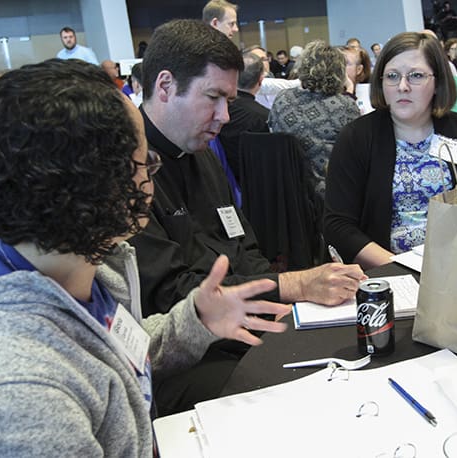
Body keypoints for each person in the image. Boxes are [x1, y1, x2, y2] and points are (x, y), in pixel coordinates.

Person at [0, 58, 288, 454]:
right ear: (97, 186)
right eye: (146, 164)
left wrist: (195, 319)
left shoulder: (74, 267)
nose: (150, 179)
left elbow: (114, 347)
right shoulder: (23, 395)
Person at [129, 20, 365, 412]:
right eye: (213, 98)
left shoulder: (203, 153)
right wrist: (290, 285)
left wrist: (282, 304)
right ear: (166, 86)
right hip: (185, 354)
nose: (223, 116)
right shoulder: (129, 174)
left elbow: (243, 244)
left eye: (229, 101)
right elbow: (170, 293)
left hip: (242, 325)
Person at [324, 32, 457, 269]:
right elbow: (338, 226)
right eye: (392, 76)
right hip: (389, 270)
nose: (402, 87)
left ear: (438, 82)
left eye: (416, 76)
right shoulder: (357, 137)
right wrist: (400, 266)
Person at [269, 40, 360, 198]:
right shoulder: (345, 106)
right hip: (329, 196)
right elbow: (359, 155)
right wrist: (349, 91)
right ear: (340, 71)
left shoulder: (282, 99)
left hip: (285, 194)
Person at [219, 51, 270, 183]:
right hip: (254, 184)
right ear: (260, 80)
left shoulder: (218, 110)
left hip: (219, 180)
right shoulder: (265, 117)